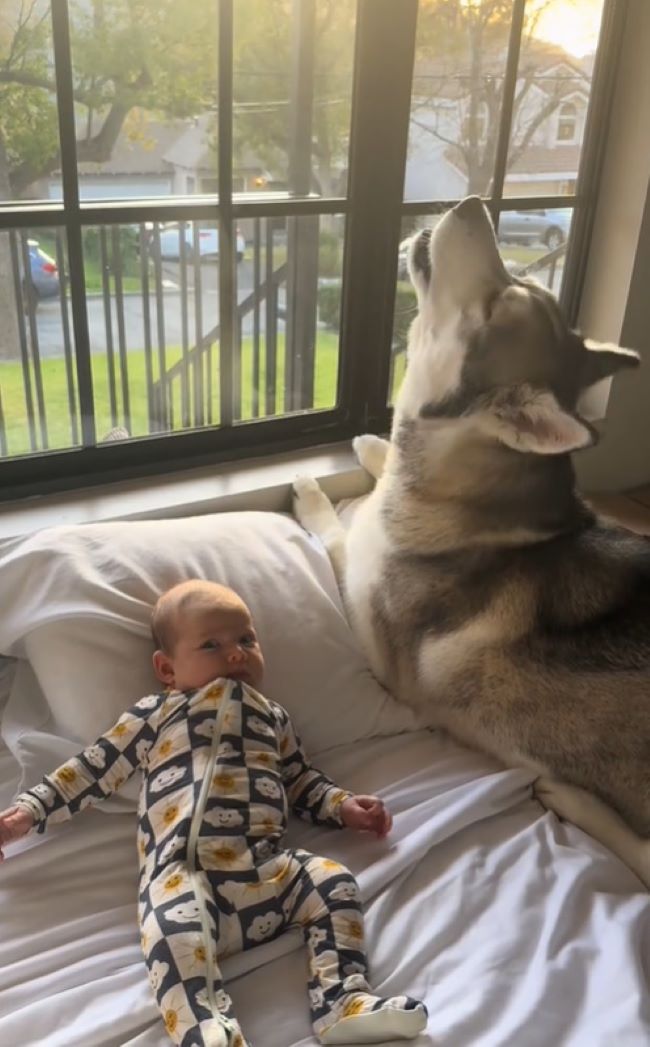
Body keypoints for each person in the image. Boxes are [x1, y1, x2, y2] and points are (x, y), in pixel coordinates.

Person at [0, 580, 427, 1047]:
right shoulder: (157, 713)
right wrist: (25, 813)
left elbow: (300, 779)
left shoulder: (273, 717)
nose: (236, 653)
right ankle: (207, 1030)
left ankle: (341, 1000)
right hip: (184, 874)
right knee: (170, 935)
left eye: (246, 639)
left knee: (332, 881)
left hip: (264, 871)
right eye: (211, 645)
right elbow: (92, 768)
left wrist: (341, 805)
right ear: (167, 668)